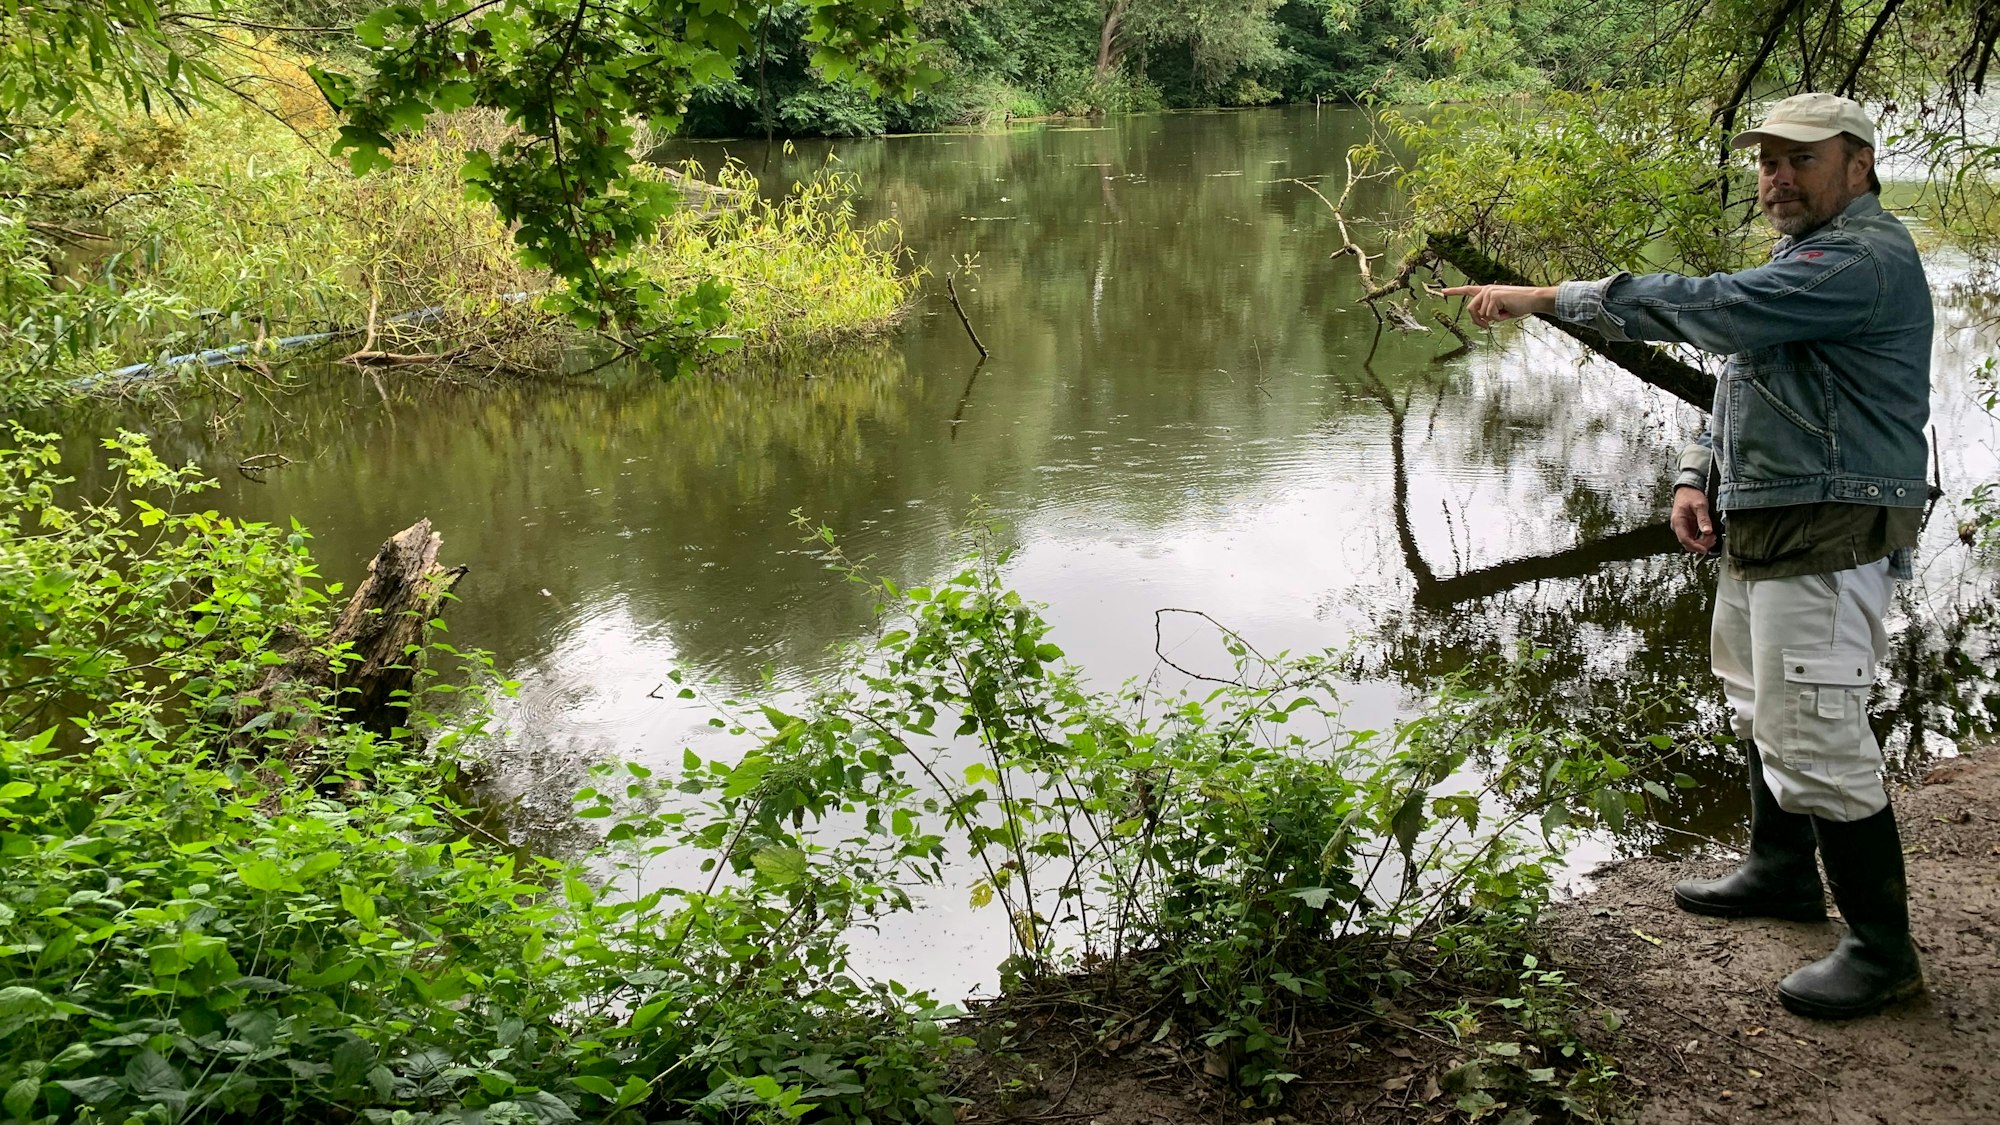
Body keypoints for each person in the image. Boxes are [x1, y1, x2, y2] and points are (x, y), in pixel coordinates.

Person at [1440, 91, 1932, 1020]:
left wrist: (1550, 298)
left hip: (1827, 530)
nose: (1776, 177)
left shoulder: (1863, 259)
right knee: (1758, 693)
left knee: (1820, 726)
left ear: (1858, 165)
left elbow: (1714, 308)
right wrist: (1696, 471)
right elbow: (1746, 369)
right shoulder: (1806, 254)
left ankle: (1882, 948)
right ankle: (1783, 871)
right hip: (1769, 515)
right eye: (1766, 161)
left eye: (1800, 160)